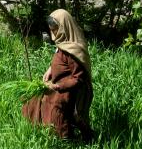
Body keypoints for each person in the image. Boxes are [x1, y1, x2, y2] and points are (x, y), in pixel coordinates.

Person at [22, 9, 94, 141]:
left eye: (55, 29)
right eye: (51, 29)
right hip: (57, 83)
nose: (53, 33)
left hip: (67, 90)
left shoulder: (74, 51)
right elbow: (59, 55)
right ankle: (43, 131)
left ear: (64, 27)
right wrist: (50, 69)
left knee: (56, 108)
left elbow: (79, 79)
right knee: (34, 98)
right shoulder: (63, 43)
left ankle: (65, 140)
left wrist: (57, 86)